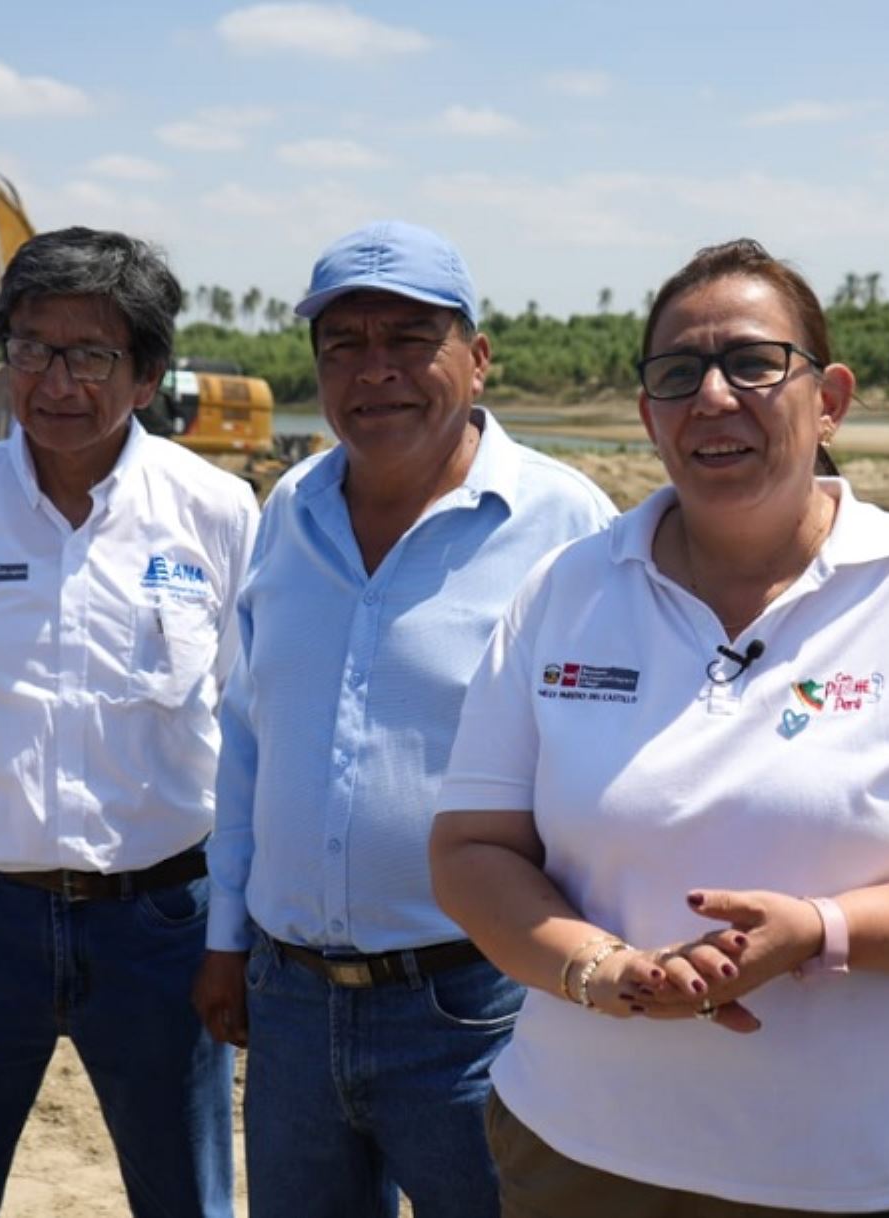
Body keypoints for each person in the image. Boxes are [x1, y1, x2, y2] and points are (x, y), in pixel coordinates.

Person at [430, 238, 889, 1217]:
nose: (714, 397)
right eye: (679, 373)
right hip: (587, 1158)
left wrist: (822, 932)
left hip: (884, 1174)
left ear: (830, 400)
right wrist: (602, 969)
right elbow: (472, 849)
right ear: (649, 415)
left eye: (753, 363)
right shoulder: (564, 593)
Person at [192, 220, 615, 1218]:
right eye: (344, 344)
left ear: (477, 357)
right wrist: (224, 938)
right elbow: (248, 739)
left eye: (407, 340)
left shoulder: (569, 530)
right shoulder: (289, 510)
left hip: (476, 1008)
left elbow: (610, 772)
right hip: (289, 1004)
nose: (372, 370)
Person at [0, 226, 259, 1218]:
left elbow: (238, 713)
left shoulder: (215, 512)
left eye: (91, 354)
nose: (56, 380)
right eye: (33, 348)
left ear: (145, 375)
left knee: (187, 1194)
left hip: (160, 923)